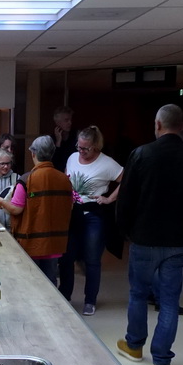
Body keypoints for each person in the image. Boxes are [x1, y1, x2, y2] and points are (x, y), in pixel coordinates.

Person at [115, 104, 183, 365]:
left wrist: (125, 232)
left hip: (144, 238)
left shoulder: (141, 154)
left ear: (158, 124)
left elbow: (127, 198)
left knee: (137, 293)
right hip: (178, 241)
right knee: (169, 301)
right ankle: (161, 361)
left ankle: (134, 346)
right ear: (181, 126)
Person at [58, 126, 124, 316]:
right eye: (79, 146)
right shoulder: (72, 158)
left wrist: (110, 198)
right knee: (67, 256)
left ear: (95, 147)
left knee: (92, 259)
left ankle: (90, 300)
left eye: (85, 148)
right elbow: (65, 178)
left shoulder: (107, 163)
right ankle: (65, 295)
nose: (81, 151)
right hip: (71, 213)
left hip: (94, 214)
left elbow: (126, 178)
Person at [0, 135, 73, 282]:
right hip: (55, 242)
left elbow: (16, 209)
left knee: (33, 281)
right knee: (51, 281)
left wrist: (2, 203)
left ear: (33, 153)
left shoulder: (26, 179)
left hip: (32, 242)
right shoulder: (64, 179)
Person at [50, 106, 76, 171]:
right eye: (66, 120)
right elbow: (53, 162)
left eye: (70, 120)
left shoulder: (76, 136)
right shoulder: (51, 139)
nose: (70, 123)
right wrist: (58, 142)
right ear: (57, 122)